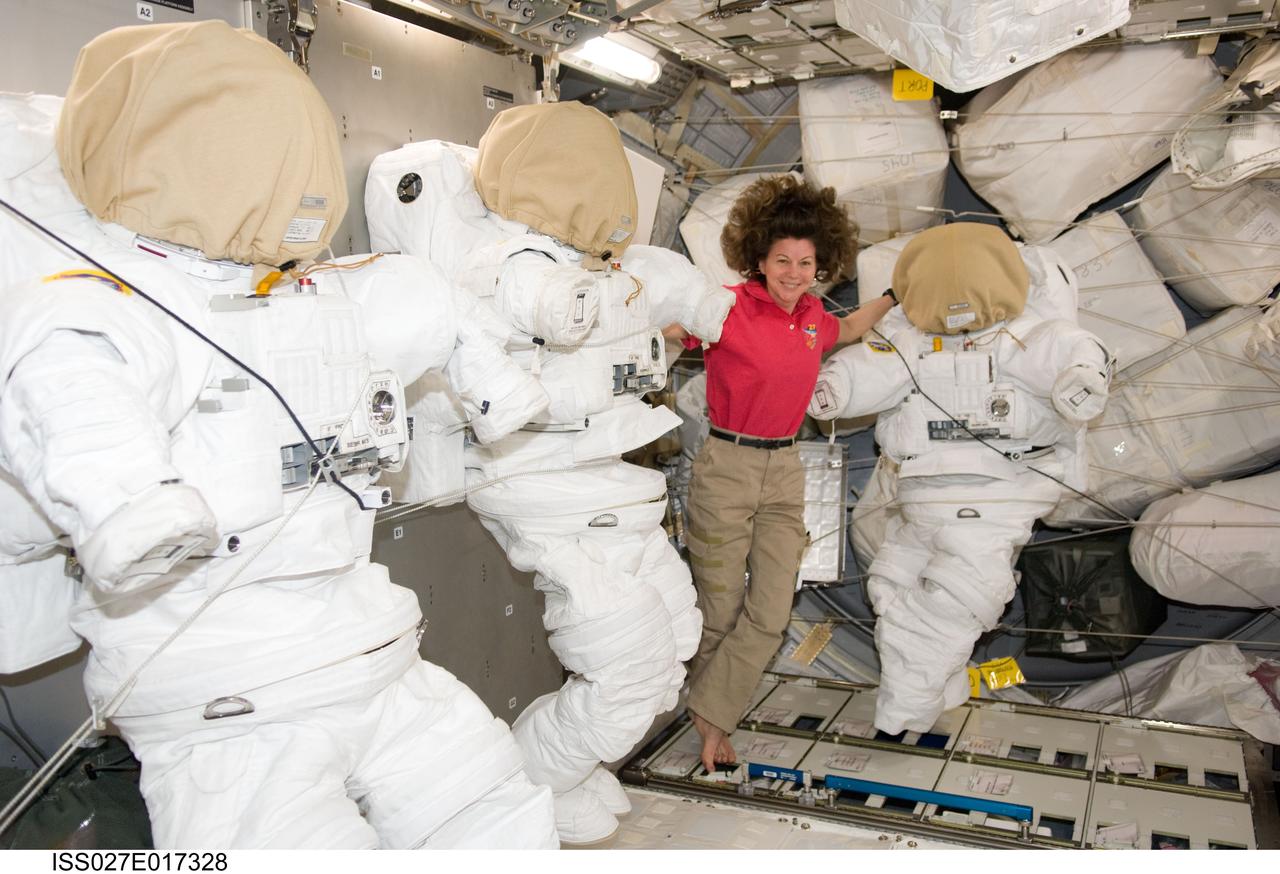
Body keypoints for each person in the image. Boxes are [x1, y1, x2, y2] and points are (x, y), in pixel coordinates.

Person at [0, 22, 557, 848]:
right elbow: (76, 402)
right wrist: (135, 514)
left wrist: (500, 389)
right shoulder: (102, 307)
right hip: (234, 700)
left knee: (496, 822)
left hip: (375, 653)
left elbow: (431, 306)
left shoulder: (314, 295)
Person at [808, 222, 1110, 734]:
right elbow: (866, 369)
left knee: (961, 593)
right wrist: (834, 388)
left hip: (998, 491)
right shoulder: (907, 340)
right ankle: (940, 680)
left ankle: (905, 705)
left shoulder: (1026, 335)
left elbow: (1078, 355)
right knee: (891, 583)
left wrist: (1082, 383)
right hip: (922, 493)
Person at [666, 175, 896, 772]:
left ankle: (709, 710)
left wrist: (895, 298)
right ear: (759, 260)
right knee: (719, 609)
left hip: (786, 469)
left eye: (806, 262)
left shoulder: (817, 318)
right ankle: (710, 723)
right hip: (727, 467)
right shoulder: (728, 308)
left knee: (770, 613)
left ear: (820, 265)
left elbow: (849, 329)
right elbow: (670, 331)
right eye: (783, 260)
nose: (795, 272)